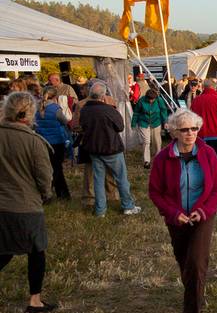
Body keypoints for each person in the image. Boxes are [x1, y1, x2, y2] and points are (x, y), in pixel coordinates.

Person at [149, 109, 217, 313]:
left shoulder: (208, 153)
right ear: (173, 132)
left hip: (203, 216)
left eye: (194, 128)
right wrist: (173, 213)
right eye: (184, 129)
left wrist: (203, 211)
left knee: (196, 263)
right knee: (184, 262)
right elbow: (155, 192)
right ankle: (197, 295)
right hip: (177, 219)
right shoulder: (163, 158)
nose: (191, 133)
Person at [0, 92, 57, 313]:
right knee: (36, 252)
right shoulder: (33, 141)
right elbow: (45, 177)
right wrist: (45, 194)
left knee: (4, 251)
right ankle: (35, 301)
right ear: (30, 113)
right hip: (26, 206)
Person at [79, 83, 141, 217]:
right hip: (111, 148)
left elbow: (81, 126)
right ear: (103, 95)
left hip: (94, 149)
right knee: (121, 178)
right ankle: (128, 206)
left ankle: (100, 210)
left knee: (98, 179)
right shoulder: (109, 110)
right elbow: (120, 127)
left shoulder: (84, 110)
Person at [190, 79, 217, 193]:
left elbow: (192, 119)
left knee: (203, 164)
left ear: (203, 87)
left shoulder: (196, 101)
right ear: (214, 87)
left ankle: (205, 187)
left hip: (201, 137)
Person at [34, 86, 71, 200]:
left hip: (42, 141)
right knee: (57, 168)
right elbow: (64, 121)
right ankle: (57, 192)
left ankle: (56, 193)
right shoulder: (56, 109)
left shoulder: (37, 107)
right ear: (55, 96)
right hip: (56, 142)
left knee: (48, 167)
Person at [131, 88, 169, 169]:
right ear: (146, 97)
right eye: (149, 99)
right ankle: (146, 161)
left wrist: (165, 121)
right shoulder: (141, 101)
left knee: (157, 141)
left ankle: (158, 158)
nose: (151, 101)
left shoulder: (159, 100)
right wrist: (133, 123)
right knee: (146, 141)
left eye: (153, 99)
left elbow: (163, 110)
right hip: (143, 123)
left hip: (156, 122)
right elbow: (136, 112)